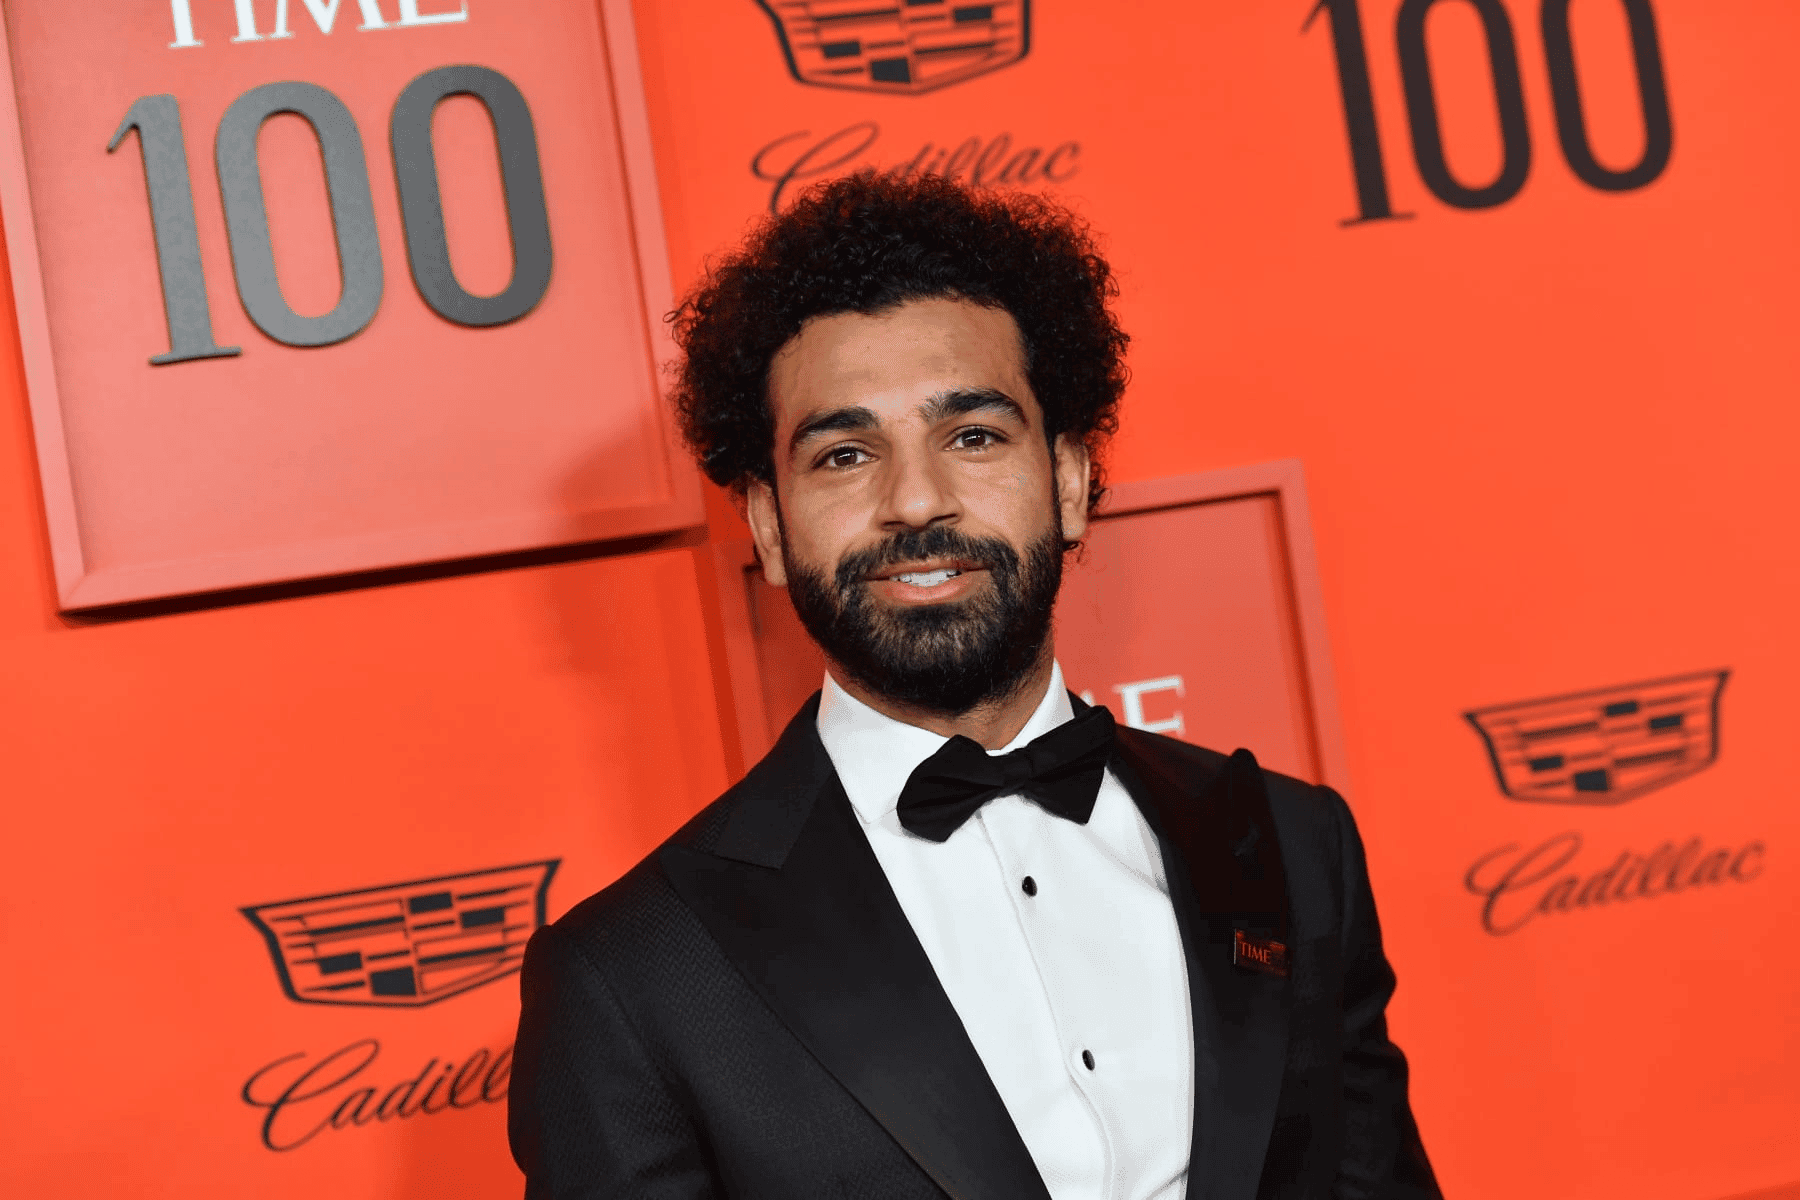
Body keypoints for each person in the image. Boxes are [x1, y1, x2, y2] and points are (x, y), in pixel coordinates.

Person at [508, 172, 1442, 1200]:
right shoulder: (634, 979)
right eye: (845, 454)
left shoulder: (1294, 850)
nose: (916, 501)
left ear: (1070, 481)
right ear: (770, 527)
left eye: (973, 436)